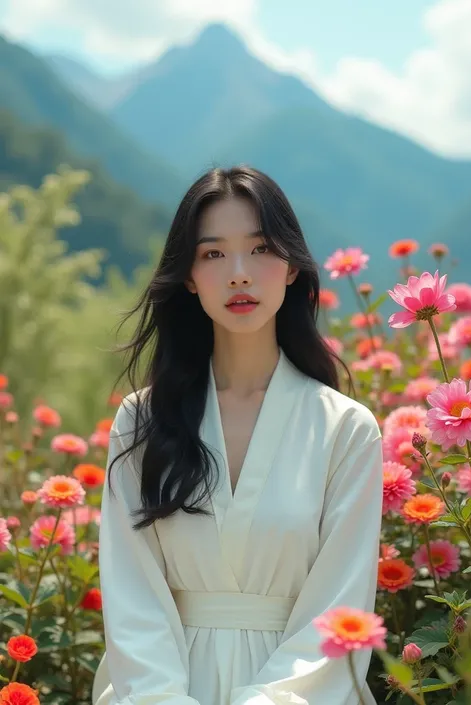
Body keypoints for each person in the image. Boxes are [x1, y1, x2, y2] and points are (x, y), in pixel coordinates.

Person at [92, 165, 383, 705]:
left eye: (260, 249)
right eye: (213, 254)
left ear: (292, 267)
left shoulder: (345, 429)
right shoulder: (142, 420)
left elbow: (340, 611)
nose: (240, 274)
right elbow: (131, 596)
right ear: (188, 276)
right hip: (162, 689)